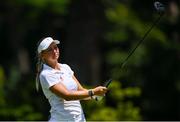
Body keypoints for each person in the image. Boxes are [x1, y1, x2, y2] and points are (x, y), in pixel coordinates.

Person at [36, 37, 108, 121]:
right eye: (49, 50)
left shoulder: (65, 67)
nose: (54, 51)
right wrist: (93, 92)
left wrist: (95, 96)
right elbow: (67, 95)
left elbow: (81, 90)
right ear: (42, 55)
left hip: (79, 119)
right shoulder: (46, 74)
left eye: (55, 47)